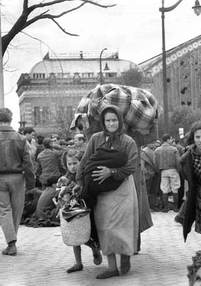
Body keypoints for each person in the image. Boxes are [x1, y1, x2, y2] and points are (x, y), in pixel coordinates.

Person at [76, 105, 139, 279]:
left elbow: (131, 166)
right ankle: (112, 267)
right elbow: (84, 161)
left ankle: (125, 255)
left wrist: (110, 172)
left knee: (123, 226)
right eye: (108, 120)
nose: (111, 123)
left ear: (119, 121)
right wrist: (80, 181)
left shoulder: (128, 142)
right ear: (103, 122)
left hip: (122, 189)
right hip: (101, 192)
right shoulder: (96, 139)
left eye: (114, 120)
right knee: (105, 226)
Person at [0, 108, 35, 256]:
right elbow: (27, 162)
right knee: (17, 210)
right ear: (11, 119)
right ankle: (12, 241)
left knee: (4, 211)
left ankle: (11, 243)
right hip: (17, 178)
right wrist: (31, 182)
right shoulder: (21, 139)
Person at [58, 149, 102, 273]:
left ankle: (94, 248)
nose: (72, 167)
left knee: (86, 233)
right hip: (72, 210)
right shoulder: (66, 176)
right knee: (73, 235)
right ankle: (78, 263)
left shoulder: (84, 174)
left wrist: (69, 185)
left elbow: (83, 190)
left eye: (75, 163)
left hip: (85, 208)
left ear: (81, 162)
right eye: (69, 164)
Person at [154, 134, 181, 212]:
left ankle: (165, 208)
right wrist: (179, 170)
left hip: (163, 171)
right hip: (173, 170)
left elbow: (155, 162)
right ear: (168, 139)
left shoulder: (157, 150)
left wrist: (158, 171)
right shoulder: (174, 149)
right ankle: (176, 208)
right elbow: (178, 161)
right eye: (171, 139)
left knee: (164, 189)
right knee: (175, 189)